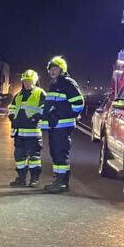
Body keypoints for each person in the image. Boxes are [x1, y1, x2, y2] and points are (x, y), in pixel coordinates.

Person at [40, 55, 84, 193]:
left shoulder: (67, 83)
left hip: (63, 126)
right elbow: (50, 104)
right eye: (51, 69)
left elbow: (78, 104)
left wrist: (59, 114)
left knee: (60, 153)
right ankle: (58, 180)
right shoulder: (55, 84)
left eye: (56, 69)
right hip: (55, 127)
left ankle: (62, 183)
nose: (53, 71)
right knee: (55, 153)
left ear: (62, 70)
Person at [7, 69, 45, 187]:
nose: (27, 83)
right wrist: (12, 116)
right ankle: (21, 178)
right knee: (19, 157)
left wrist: (35, 118)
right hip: (19, 133)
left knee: (34, 158)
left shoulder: (40, 93)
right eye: (25, 81)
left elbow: (44, 108)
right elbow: (12, 107)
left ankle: (34, 179)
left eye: (29, 81)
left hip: (33, 133)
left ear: (34, 81)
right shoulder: (18, 95)